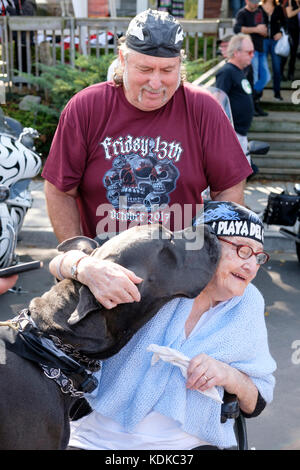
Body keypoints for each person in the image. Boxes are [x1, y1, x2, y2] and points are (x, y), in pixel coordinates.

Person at [48, 201, 276, 450]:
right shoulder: (159, 269)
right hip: (97, 439)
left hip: (189, 446)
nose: (251, 266)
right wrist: (84, 267)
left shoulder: (248, 303)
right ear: (205, 245)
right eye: (243, 250)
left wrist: (228, 375)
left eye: (258, 256)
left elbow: (256, 401)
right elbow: (60, 262)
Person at [42, 9, 252, 247]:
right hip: (103, 270)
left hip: (181, 271)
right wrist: (78, 255)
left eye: (167, 70)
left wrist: (217, 254)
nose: (155, 83)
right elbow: (60, 190)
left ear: (180, 65)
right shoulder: (86, 107)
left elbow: (228, 188)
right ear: (123, 59)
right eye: (145, 69)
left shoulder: (203, 109)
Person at [216, 34, 255, 164]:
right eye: (249, 52)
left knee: (245, 173)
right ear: (237, 52)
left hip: (241, 134)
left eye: (253, 52)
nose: (252, 55)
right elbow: (218, 103)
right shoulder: (227, 72)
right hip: (231, 135)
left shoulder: (240, 72)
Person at [234, 0, 270, 116]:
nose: (256, 3)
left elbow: (265, 30)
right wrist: (256, 29)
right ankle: (253, 104)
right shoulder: (242, 13)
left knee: (266, 77)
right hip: (250, 51)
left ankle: (254, 99)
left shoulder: (260, 12)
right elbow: (237, 29)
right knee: (252, 79)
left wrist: (263, 31)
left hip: (260, 49)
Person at [261, 0, 286, 100]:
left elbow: (284, 23)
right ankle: (259, 94)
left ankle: (277, 93)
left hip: (275, 42)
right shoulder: (259, 8)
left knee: (277, 68)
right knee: (261, 68)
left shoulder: (278, 7)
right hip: (263, 41)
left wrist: (280, 32)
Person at [281, 0, 300, 81]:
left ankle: (290, 73)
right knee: (286, 53)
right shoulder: (290, 1)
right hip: (290, 31)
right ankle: (281, 73)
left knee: (293, 54)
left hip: (297, 31)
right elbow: (289, 14)